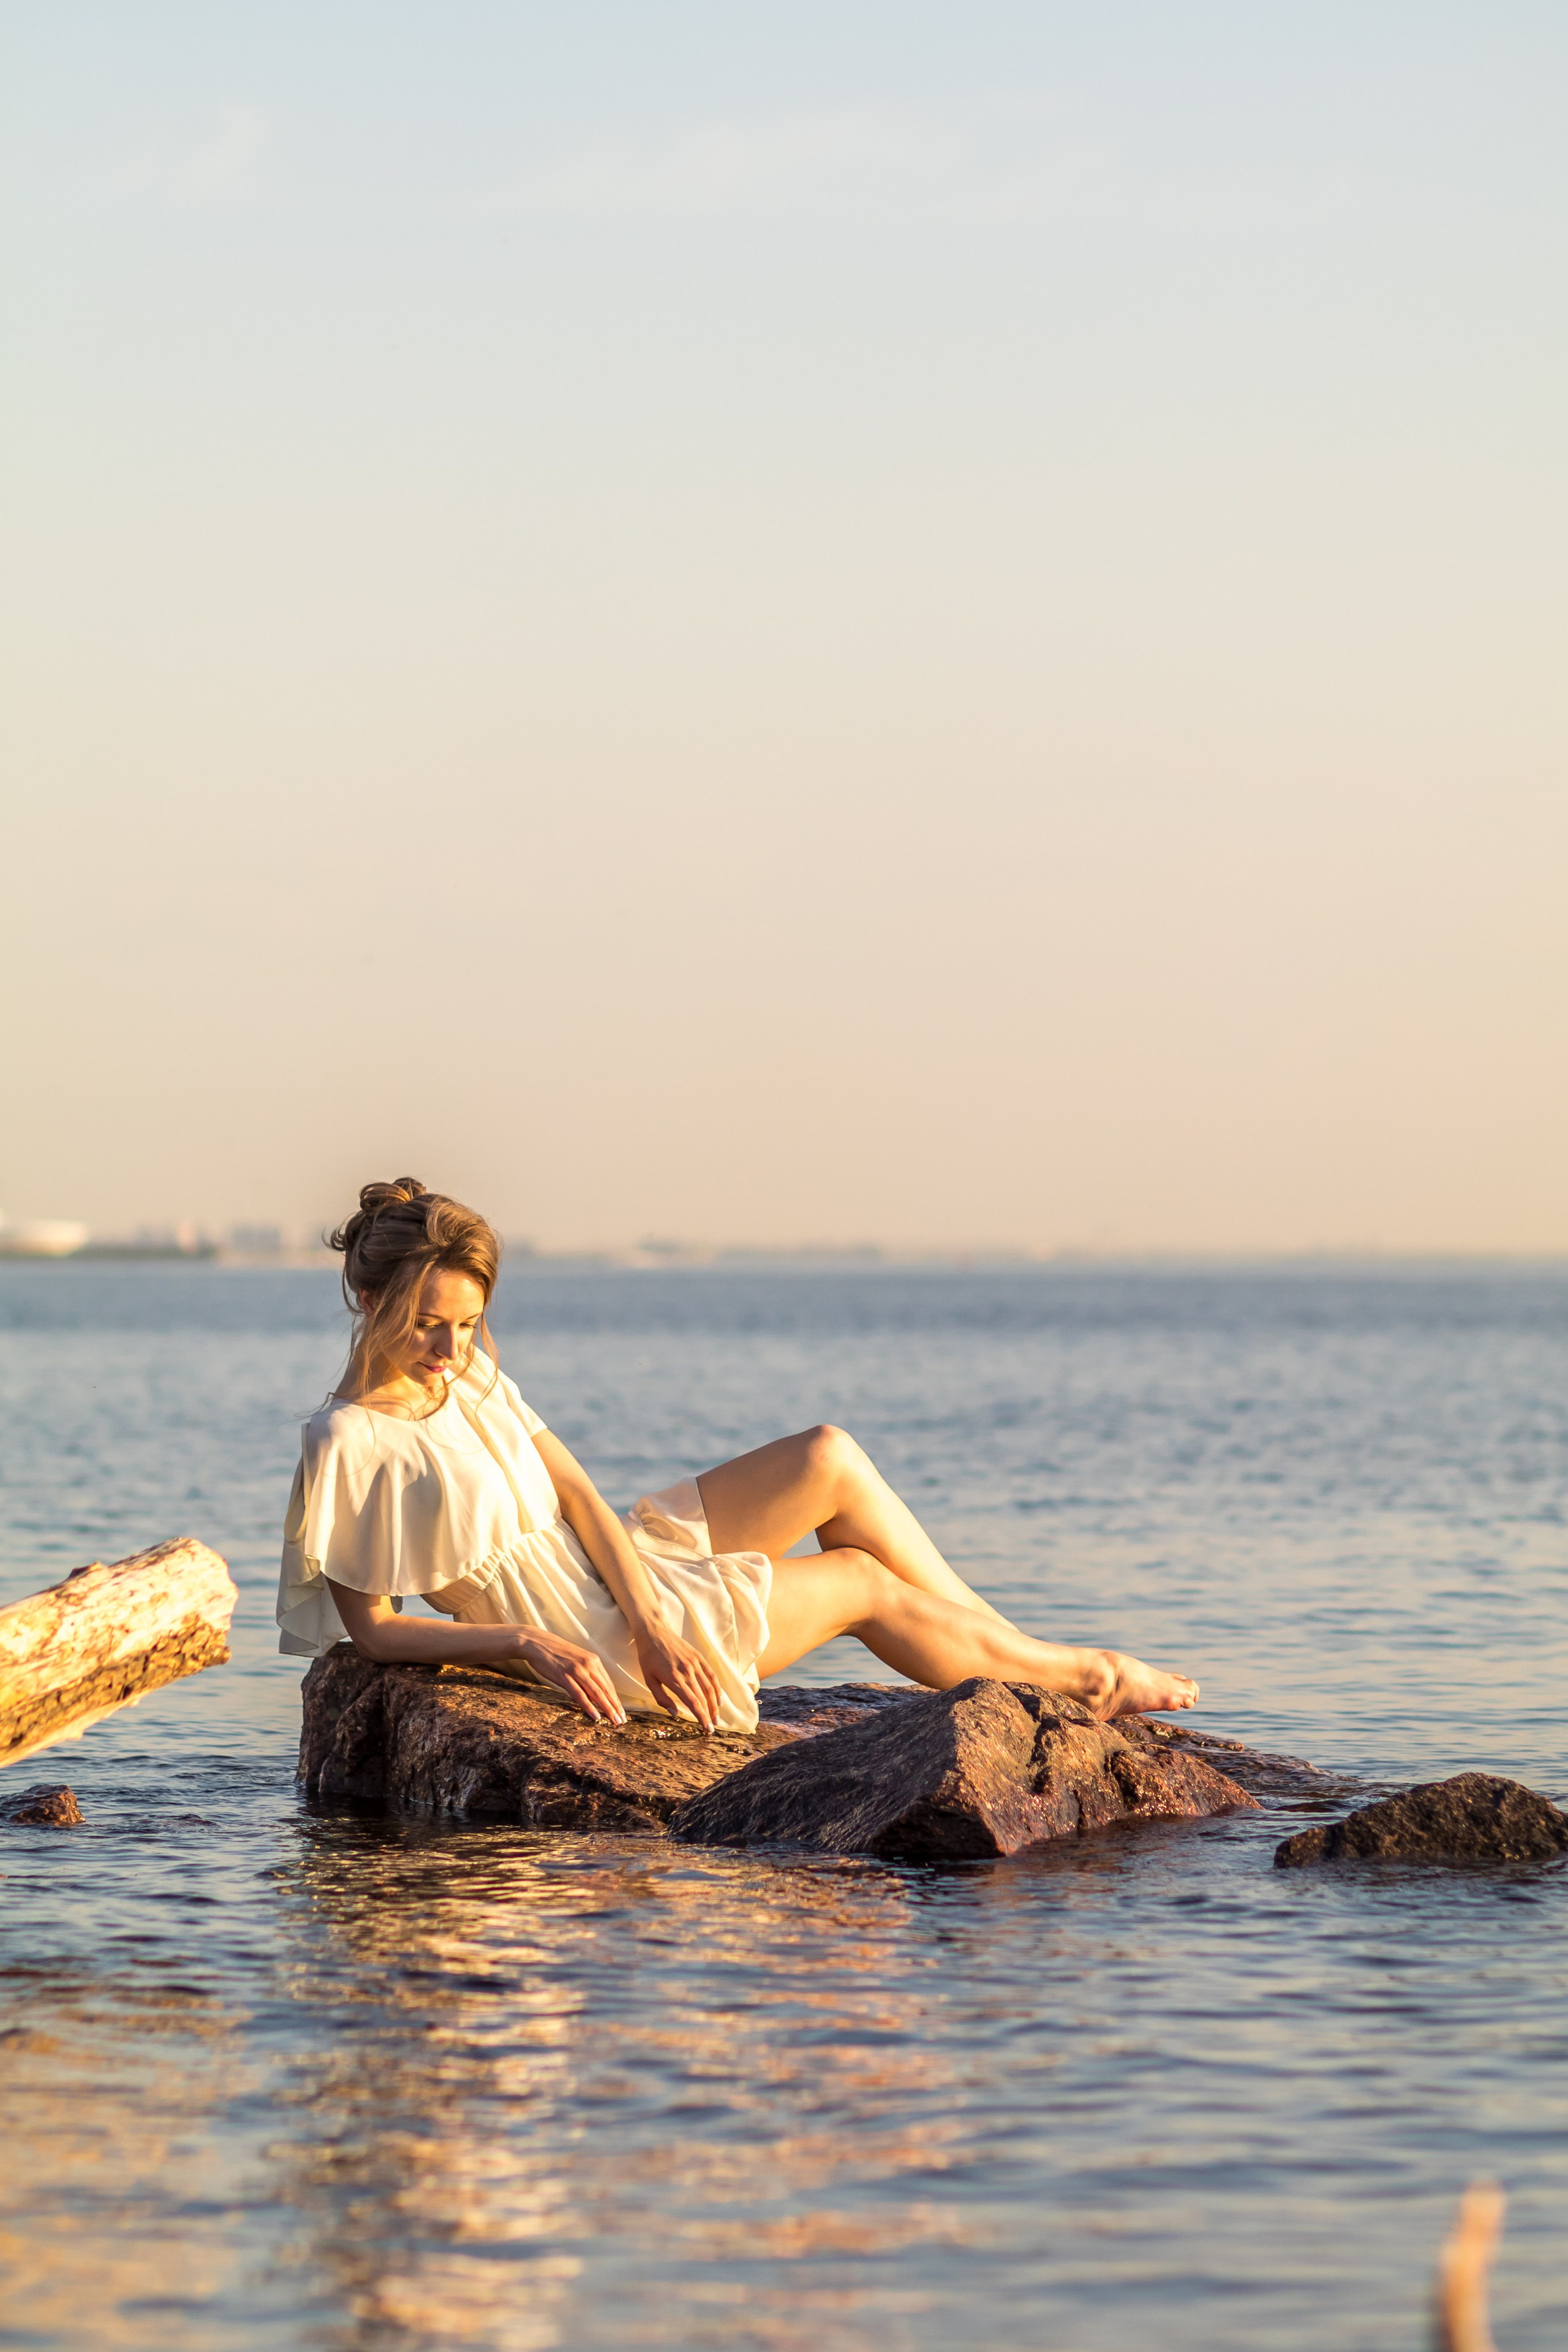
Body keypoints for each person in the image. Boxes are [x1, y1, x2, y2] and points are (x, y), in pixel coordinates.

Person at [277, 1178, 1199, 1735]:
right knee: (859, 1582)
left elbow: (576, 1494)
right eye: (427, 1325)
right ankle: (1084, 1678)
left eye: (469, 1323)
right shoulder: (347, 1440)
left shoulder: (471, 1377)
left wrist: (648, 1613)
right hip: (579, 1631)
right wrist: (523, 1642)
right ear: (366, 1299)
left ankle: (1020, 1657)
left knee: (829, 1455)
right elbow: (377, 1632)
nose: (450, 1348)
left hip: (626, 1582)